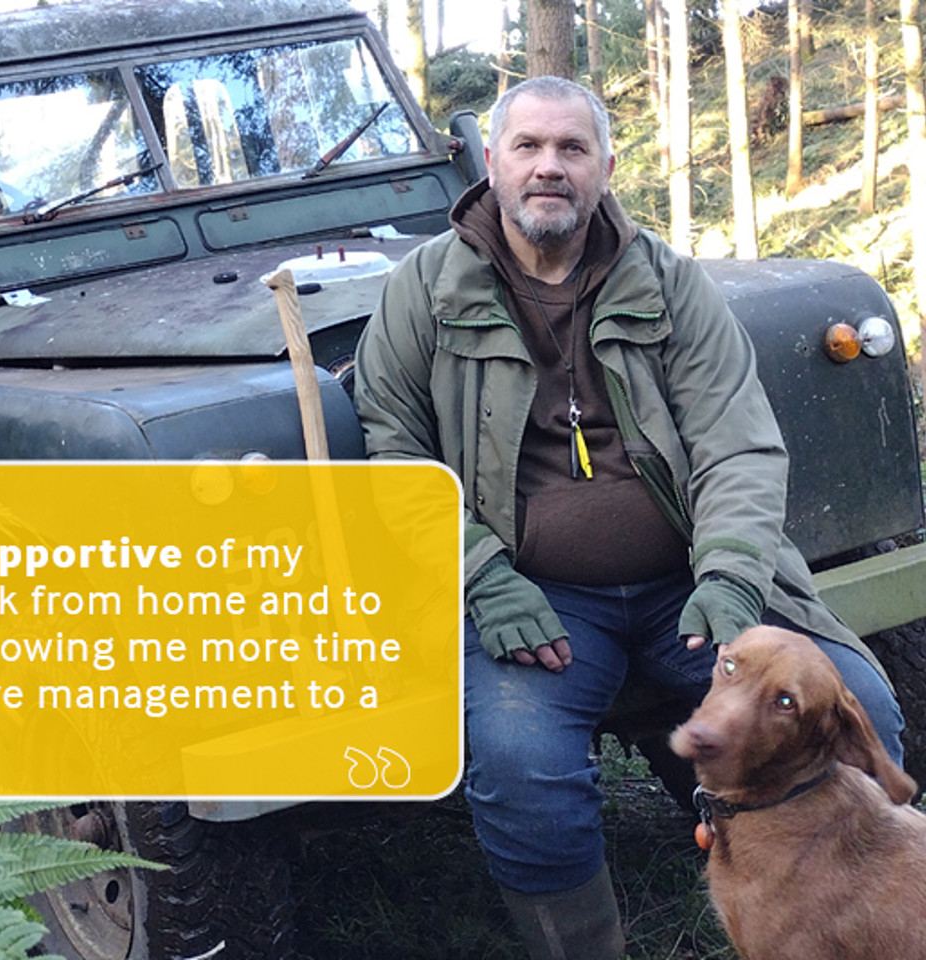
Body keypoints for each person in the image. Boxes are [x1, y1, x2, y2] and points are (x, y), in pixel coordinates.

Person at [352, 75, 905, 960]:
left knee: (858, 703)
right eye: (528, 147)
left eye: (572, 149)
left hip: (688, 584)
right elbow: (395, 457)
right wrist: (481, 577)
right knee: (521, 762)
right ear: (490, 160)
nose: (549, 168)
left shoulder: (671, 283)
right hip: (533, 599)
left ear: (606, 167)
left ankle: (835, 922)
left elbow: (738, 445)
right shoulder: (422, 289)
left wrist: (728, 575)